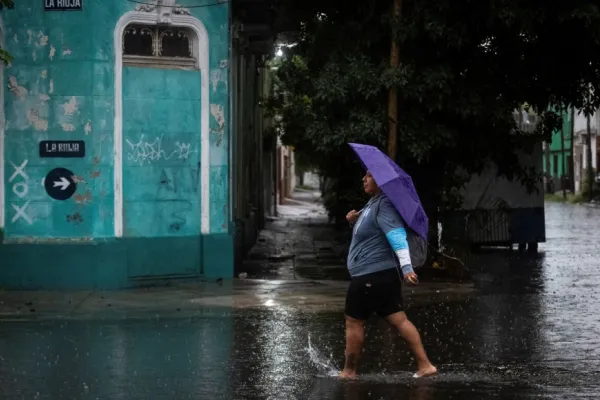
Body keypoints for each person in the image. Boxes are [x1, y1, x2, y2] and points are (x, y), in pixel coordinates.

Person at [340, 171, 437, 379]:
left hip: (370, 276)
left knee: (354, 322)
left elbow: (396, 235)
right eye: (364, 175)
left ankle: (349, 371)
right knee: (399, 320)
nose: (363, 179)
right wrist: (353, 220)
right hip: (380, 276)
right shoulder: (372, 204)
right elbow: (368, 234)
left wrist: (407, 267)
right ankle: (425, 365)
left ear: (381, 180)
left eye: (369, 175)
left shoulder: (384, 204)